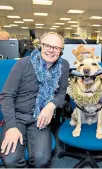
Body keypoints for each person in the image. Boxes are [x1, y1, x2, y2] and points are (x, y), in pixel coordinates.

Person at [0, 32, 69, 167]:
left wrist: (51, 105)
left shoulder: (63, 66)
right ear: (40, 46)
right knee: (11, 159)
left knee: (41, 160)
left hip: (40, 118)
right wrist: (12, 127)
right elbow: (6, 95)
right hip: (17, 116)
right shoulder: (23, 63)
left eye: (56, 48)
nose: (51, 50)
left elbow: (62, 94)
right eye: (47, 45)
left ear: (61, 51)